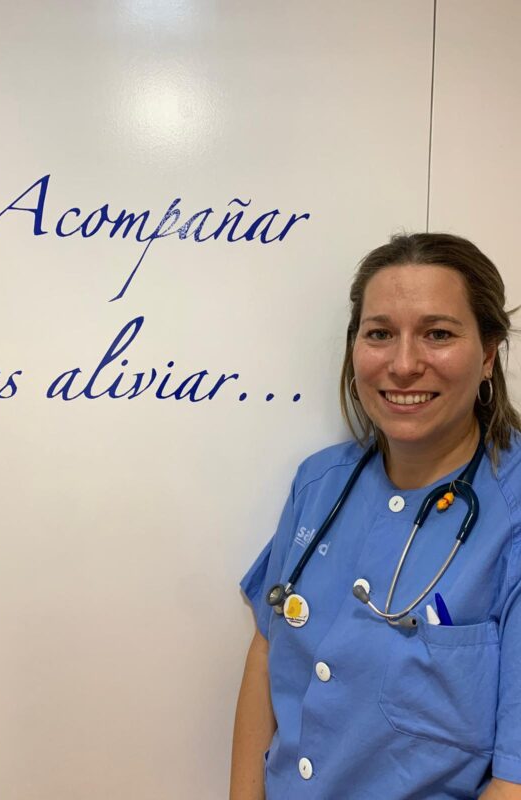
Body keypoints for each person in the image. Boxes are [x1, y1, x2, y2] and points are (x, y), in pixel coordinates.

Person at [230, 233, 521, 800]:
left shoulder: (511, 515)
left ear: (488, 354)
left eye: (438, 333)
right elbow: (266, 650)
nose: (404, 364)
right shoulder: (320, 484)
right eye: (380, 333)